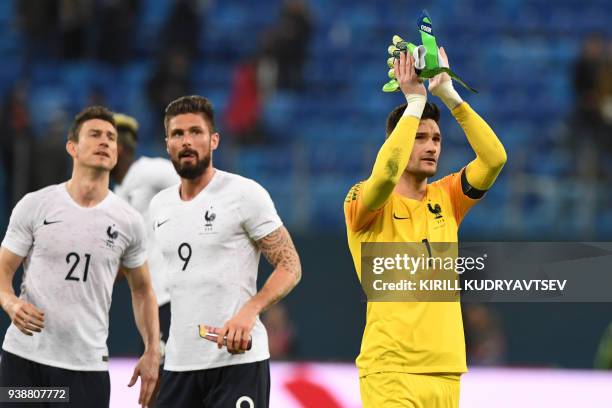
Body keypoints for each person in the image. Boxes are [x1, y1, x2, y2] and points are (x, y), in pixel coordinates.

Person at [344, 49, 507, 407]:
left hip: (446, 370)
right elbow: (386, 173)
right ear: (398, 144)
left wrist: (448, 94)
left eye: (435, 139)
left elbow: (495, 159)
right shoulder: (363, 201)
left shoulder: (448, 196)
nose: (431, 145)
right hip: (391, 371)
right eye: (419, 138)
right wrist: (415, 101)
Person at [0, 106, 160, 408]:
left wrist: (152, 351)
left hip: (84, 369)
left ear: (116, 153)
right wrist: (11, 303)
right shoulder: (35, 205)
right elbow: (3, 270)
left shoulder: (128, 221)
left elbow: (142, 290)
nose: (105, 142)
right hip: (24, 361)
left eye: (111, 138)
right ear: (72, 147)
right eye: (95, 134)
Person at [150, 95, 301, 408]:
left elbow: (290, 265)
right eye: (178, 134)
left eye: (196, 132)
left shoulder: (244, 194)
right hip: (179, 364)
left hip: (238, 362)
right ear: (168, 144)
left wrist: (249, 311)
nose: (187, 141)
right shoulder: (159, 206)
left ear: (214, 140)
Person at [110, 112, 179, 407]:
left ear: (120, 149)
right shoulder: (113, 196)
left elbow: (198, 189)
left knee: (166, 384)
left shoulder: (151, 171)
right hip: (149, 305)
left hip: (173, 297)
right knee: (153, 385)